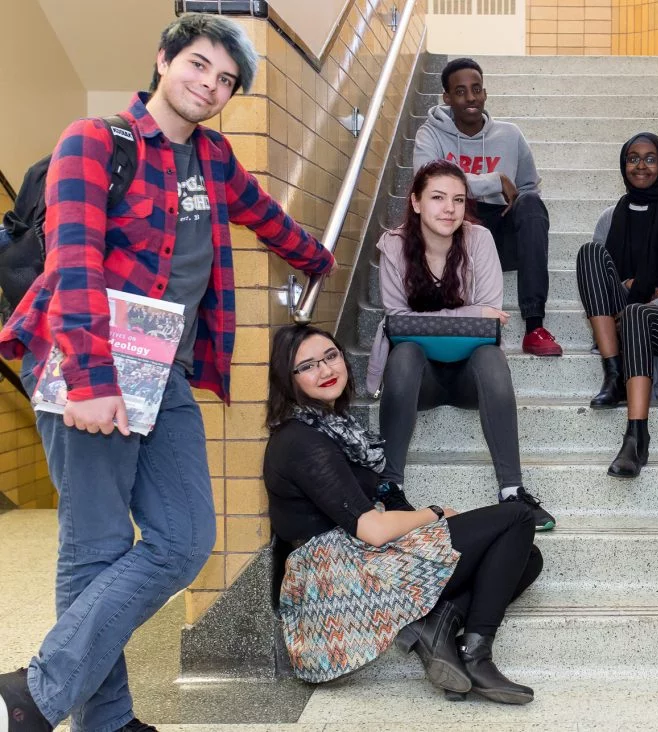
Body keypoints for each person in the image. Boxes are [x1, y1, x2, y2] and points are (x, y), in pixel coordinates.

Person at [0, 14, 337, 732]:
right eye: (199, 67)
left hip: (164, 366)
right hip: (85, 355)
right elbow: (74, 264)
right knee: (95, 547)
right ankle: (99, 718)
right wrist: (90, 381)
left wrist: (317, 256)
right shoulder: (93, 141)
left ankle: (35, 691)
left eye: (225, 81)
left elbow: (264, 215)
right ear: (163, 58)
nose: (209, 86)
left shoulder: (213, 160)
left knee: (183, 539)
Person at [263, 324, 541, 704]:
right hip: (341, 577)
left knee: (525, 556)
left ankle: (439, 625)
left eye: (331, 356)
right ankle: (476, 656)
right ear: (287, 379)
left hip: (361, 559)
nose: (327, 370)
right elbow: (373, 529)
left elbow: (374, 508)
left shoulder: (333, 427)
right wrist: (435, 512)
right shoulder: (301, 440)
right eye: (308, 366)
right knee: (518, 518)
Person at [366, 160, 557, 531]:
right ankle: (390, 486)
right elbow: (396, 319)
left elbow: (491, 317)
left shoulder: (479, 240)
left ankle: (512, 491)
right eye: (437, 198)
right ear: (416, 202)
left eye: (457, 199)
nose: (449, 208)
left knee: (490, 355)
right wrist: (469, 314)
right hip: (419, 383)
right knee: (404, 353)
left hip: (472, 379)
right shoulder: (393, 246)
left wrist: (454, 317)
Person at [575, 132, 658, 477]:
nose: (641, 165)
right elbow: (601, 284)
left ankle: (637, 436)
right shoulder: (608, 218)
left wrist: (655, 298)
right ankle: (614, 372)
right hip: (617, 319)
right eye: (633, 158)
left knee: (637, 311)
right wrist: (626, 286)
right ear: (623, 164)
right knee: (590, 253)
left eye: (650, 158)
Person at [413, 57, 563, 358]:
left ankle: (535, 326)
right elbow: (427, 185)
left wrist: (515, 199)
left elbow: (529, 186)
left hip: (502, 228)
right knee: (443, 212)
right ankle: (457, 321)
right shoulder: (430, 134)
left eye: (477, 89)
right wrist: (494, 180)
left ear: (485, 92)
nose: (471, 98)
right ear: (446, 97)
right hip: (457, 229)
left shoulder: (510, 135)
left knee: (532, 203)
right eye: (460, 91)